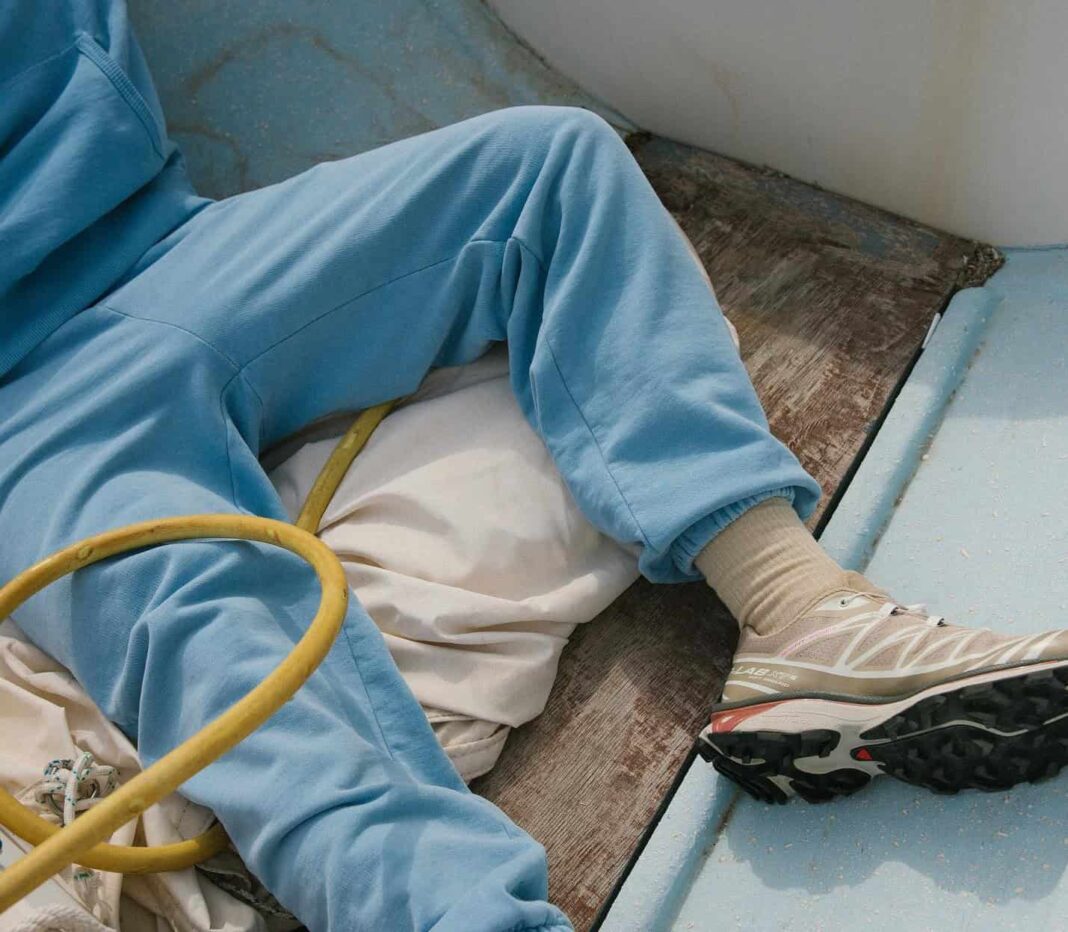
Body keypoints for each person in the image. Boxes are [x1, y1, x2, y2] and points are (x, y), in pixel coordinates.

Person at [2, 2, 1066, 929]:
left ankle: (804, 618)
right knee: (229, 641)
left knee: (548, 167)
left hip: (168, 249)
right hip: (25, 404)